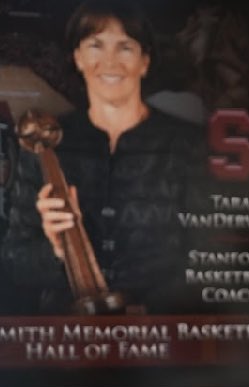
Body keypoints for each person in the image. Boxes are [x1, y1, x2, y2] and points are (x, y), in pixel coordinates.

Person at [0, 0, 202, 314]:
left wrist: (150, 312)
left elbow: (209, 258)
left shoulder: (191, 145)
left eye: (125, 47)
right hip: (67, 336)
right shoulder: (41, 145)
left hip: (163, 333)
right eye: (95, 45)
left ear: (144, 61)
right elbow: (15, 264)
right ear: (78, 57)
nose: (110, 61)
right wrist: (56, 249)